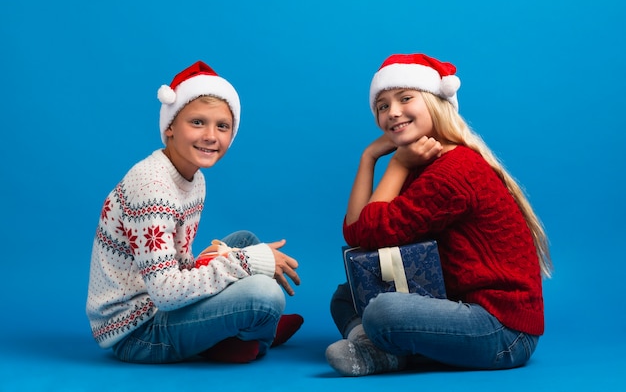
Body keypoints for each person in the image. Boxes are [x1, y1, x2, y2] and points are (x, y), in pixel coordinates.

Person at [326, 53, 552, 376]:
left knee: (380, 312)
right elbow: (356, 233)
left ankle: (382, 348)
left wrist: (397, 163)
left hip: (502, 329)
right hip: (457, 302)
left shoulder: (454, 169)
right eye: (382, 106)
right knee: (347, 295)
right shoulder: (424, 161)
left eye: (405, 98)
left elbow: (370, 235)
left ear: (435, 102)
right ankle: (383, 350)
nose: (393, 112)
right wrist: (368, 156)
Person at [86, 60, 303, 364]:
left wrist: (241, 256)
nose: (211, 136)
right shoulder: (151, 187)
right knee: (266, 296)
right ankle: (253, 332)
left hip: (163, 302)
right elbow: (164, 291)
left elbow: (178, 260)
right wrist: (247, 262)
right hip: (138, 330)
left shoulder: (193, 176)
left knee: (245, 239)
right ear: (171, 126)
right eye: (197, 122)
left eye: (222, 126)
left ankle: (238, 329)